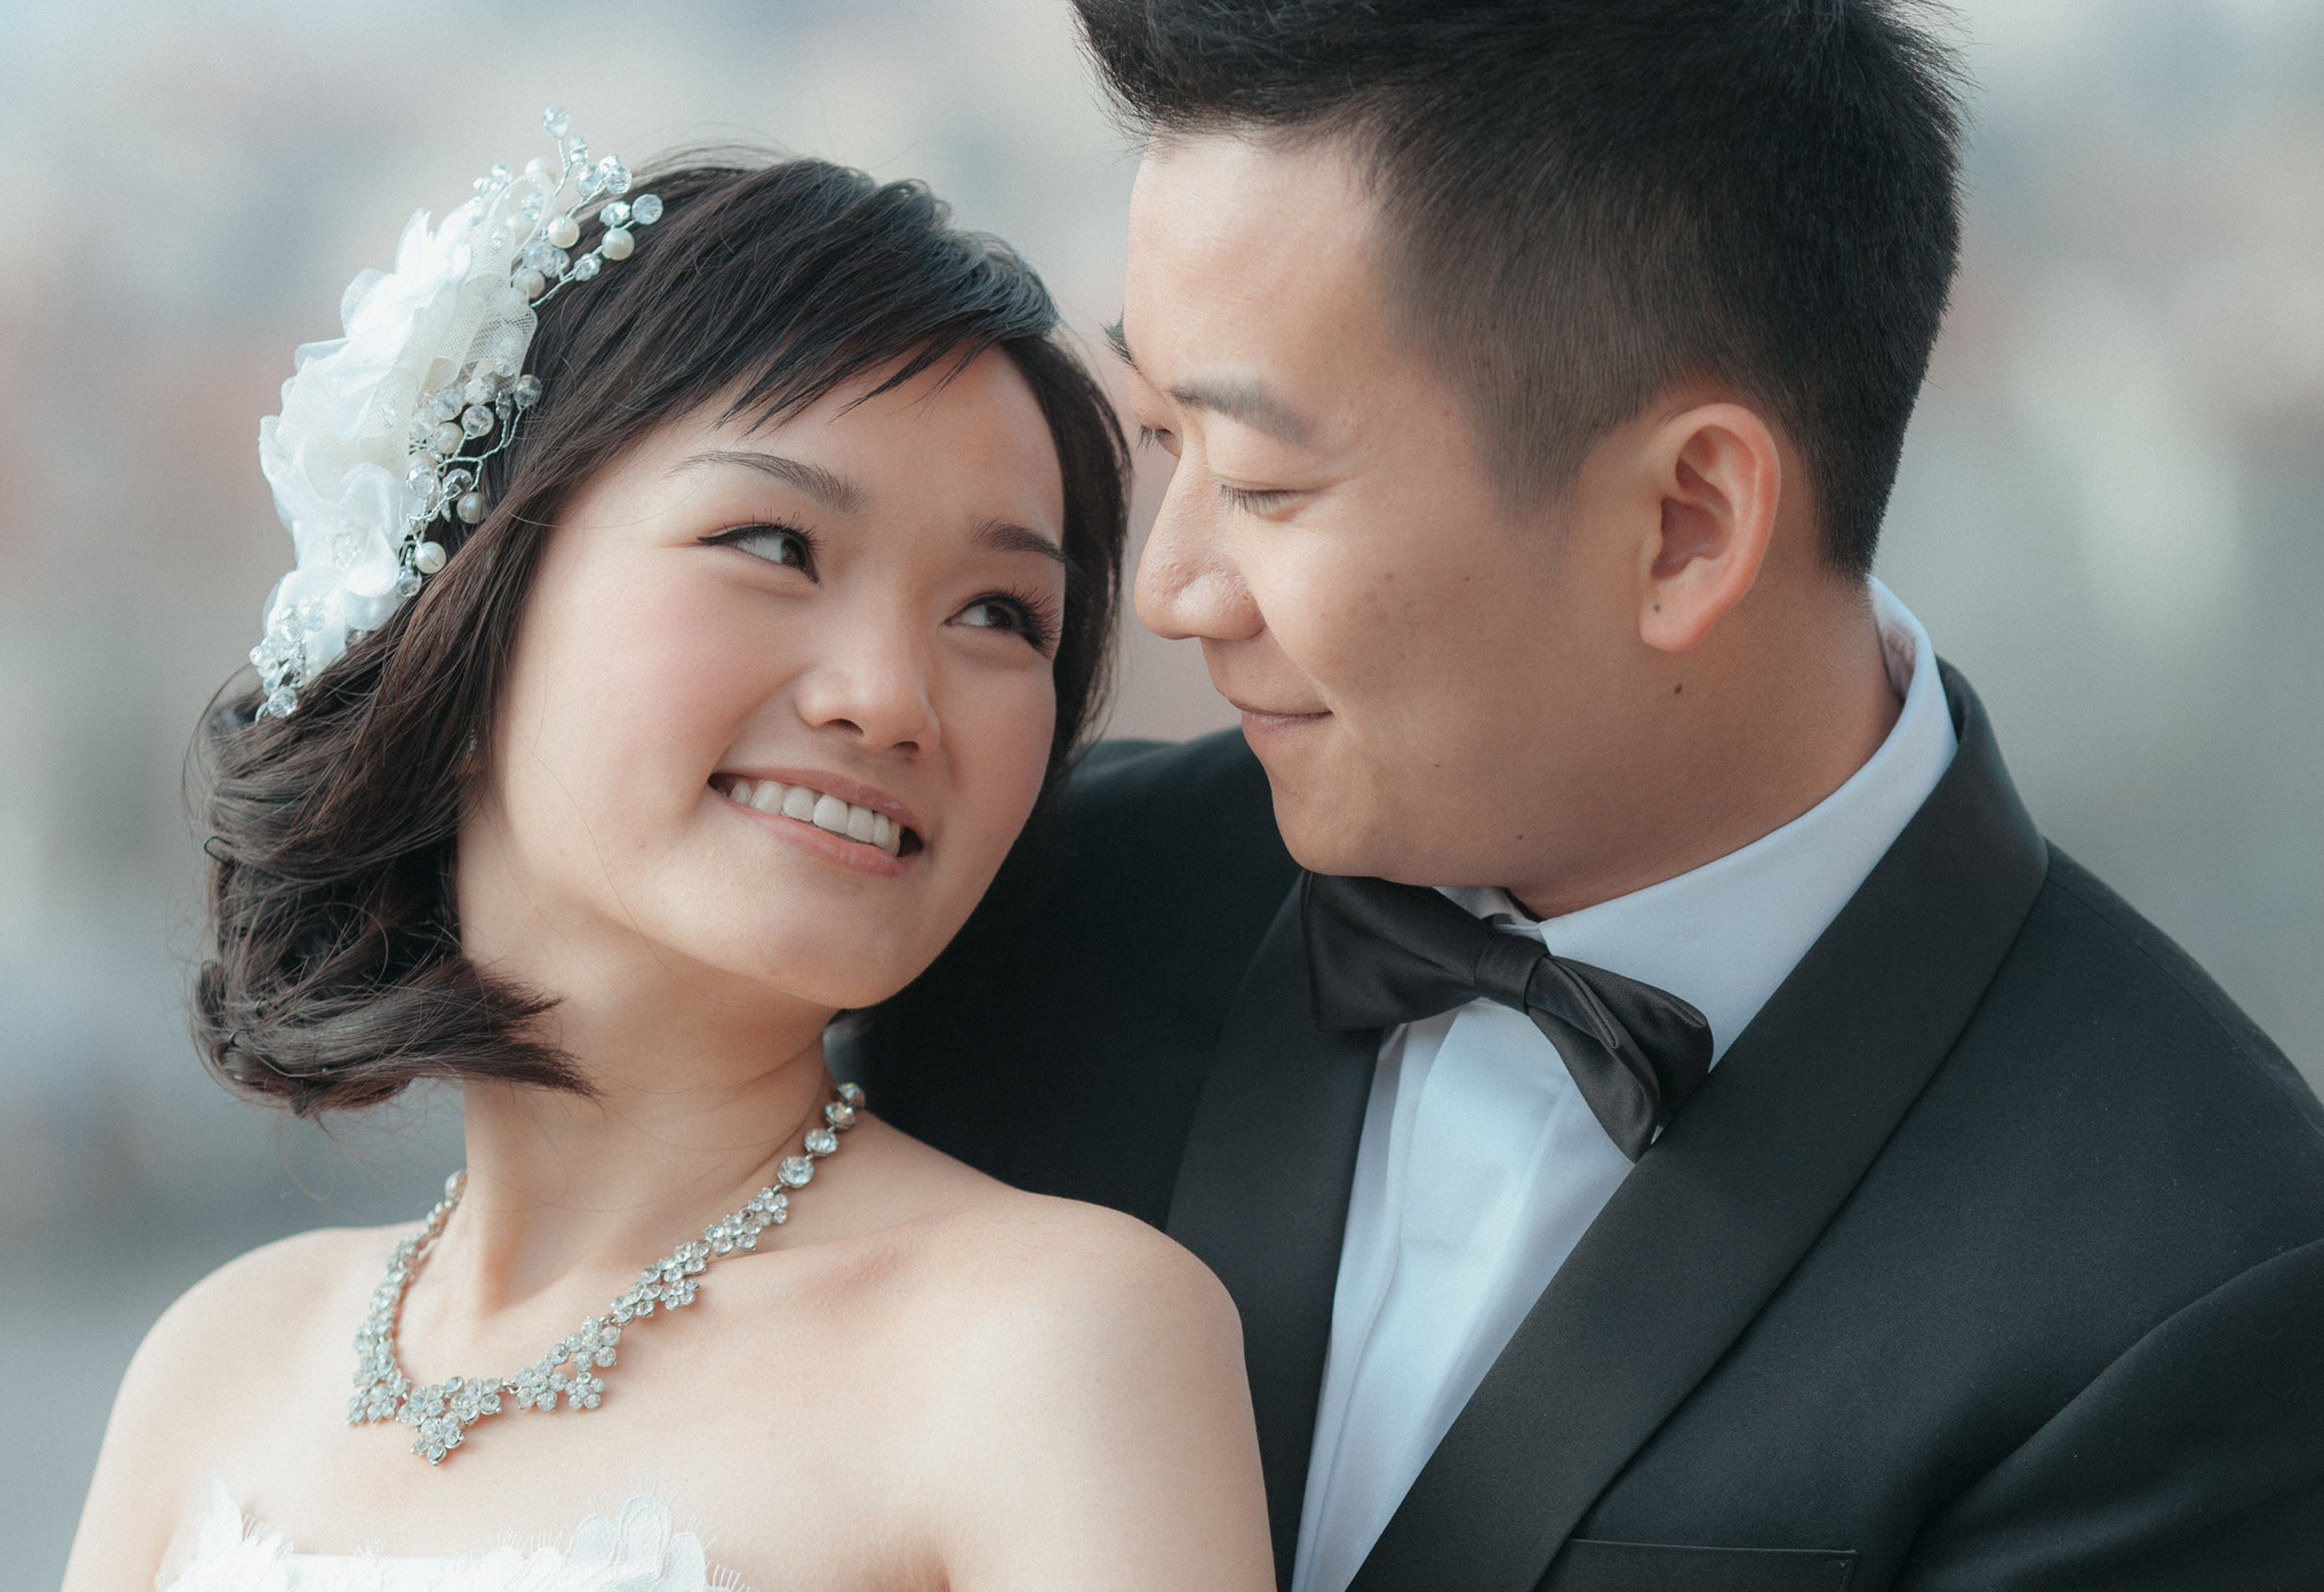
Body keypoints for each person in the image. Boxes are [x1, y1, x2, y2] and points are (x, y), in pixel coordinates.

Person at [842, 4, 2324, 1589]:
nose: (1175, 589)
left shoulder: (2195, 1281)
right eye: (1161, 439)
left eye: (1266, 484)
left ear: (1688, 522)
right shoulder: (1026, 917)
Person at [63, 124, 1276, 1591]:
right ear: (466, 606)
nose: (889, 698)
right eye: (775, 544)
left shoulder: (1056, 1344)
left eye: (1002, 615)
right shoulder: (221, 1361)